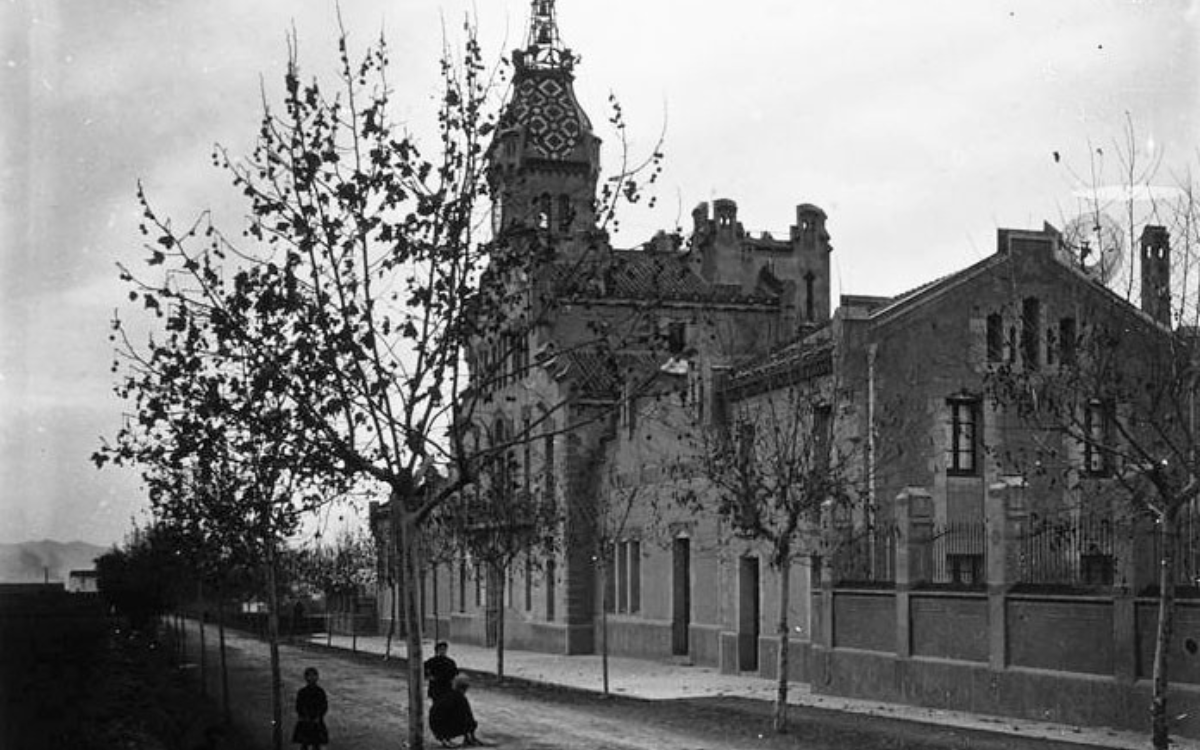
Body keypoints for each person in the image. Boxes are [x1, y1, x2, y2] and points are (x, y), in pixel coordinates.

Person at [429, 673, 479, 747]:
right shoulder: (460, 698)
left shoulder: (447, 694)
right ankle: (468, 738)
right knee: (469, 721)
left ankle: (445, 737)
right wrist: (472, 726)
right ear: (465, 688)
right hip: (444, 727)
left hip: (435, 726)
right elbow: (466, 716)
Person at [292, 667, 329, 749]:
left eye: (314, 675)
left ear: (317, 677)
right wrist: (303, 715)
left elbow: (324, 705)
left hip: (317, 720)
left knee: (316, 744)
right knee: (304, 744)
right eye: (309, 676)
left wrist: (319, 716)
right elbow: (298, 705)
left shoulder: (320, 691)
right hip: (305, 720)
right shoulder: (302, 692)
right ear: (306, 677)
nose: (312, 678)